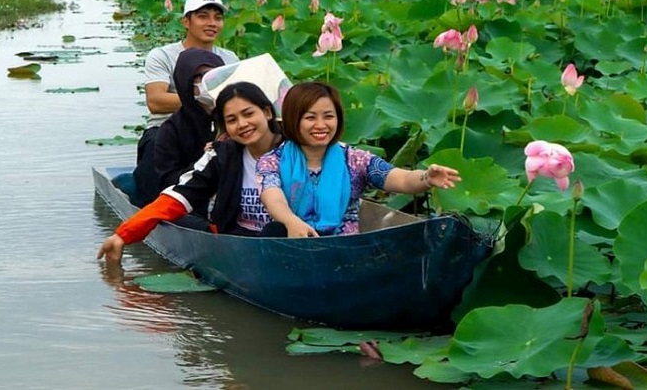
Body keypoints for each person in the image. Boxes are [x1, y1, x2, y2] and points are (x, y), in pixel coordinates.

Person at [98, 82, 285, 262]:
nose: (242, 124)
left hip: (290, 238)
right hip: (238, 241)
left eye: (248, 114)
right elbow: (178, 196)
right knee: (174, 220)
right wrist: (123, 235)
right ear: (225, 127)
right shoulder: (221, 155)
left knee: (276, 230)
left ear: (267, 112)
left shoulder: (295, 150)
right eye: (232, 120)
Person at [257, 81, 461, 238]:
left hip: (345, 250)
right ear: (293, 120)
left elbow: (398, 178)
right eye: (310, 118)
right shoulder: (272, 161)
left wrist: (426, 177)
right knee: (274, 230)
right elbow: (272, 196)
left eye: (328, 116)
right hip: (292, 246)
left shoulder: (354, 159)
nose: (321, 125)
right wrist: (291, 221)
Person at [133, 0, 238, 207]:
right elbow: (156, 101)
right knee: (155, 144)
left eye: (218, 18)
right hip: (168, 131)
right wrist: (203, 98)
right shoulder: (162, 55)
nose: (212, 23)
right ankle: (153, 206)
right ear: (186, 21)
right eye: (203, 16)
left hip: (215, 128)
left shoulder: (230, 58)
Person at [154, 48, 224, 203]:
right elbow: (166, 182)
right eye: (199, 77)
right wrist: (202, 162)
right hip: (192, 201)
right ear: (186, 82)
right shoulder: (170, 130)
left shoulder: (234, 117)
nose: (206, 82)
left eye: (212, 76)